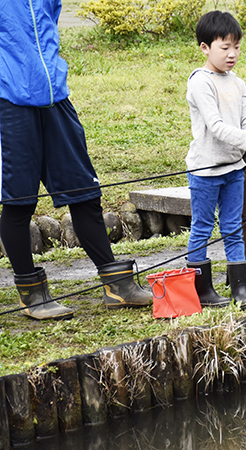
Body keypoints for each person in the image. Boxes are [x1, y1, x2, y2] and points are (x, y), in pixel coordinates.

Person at [0, 0, 153, 320]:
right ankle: (31, 295)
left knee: (84, 190)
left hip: (55, 95)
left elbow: (49, 24)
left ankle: (117, 286)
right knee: (19, 200)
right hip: (9, 99)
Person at [185, 11, 246, 310]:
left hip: (235, 168)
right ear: (205, 48)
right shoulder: (200, 82)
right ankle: (201, 289)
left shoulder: (238, 83)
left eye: (236, 46)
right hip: (205, 170)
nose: (232, 54)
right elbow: (216, 126)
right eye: (224, 48)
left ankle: (240, 288)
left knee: (233, 226)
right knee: (203, 226)